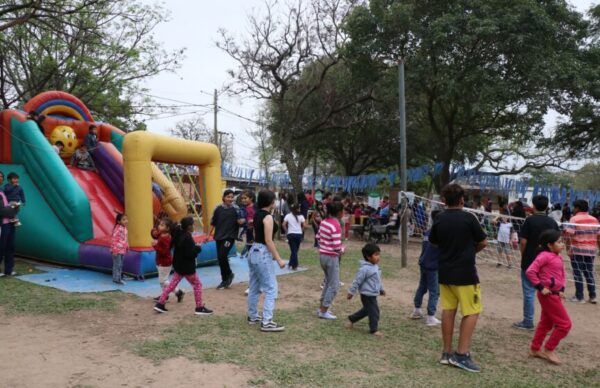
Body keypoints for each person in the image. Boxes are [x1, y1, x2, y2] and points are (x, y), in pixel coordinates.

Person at [429, 183, 487, 373]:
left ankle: (446, 353)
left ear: (444, 200)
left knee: (448, 310)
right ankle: (461, 354)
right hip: (465, 274)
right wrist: (469, 252)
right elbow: (483, 242)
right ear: (462, 200)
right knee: (471, 311)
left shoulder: (439, 219)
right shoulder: (469, 218)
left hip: (445, 272)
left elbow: (434, 242)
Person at [513, 195, 559, 330]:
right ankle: (555, 322)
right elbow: (557, 242)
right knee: (550, 293)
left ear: (533, 206)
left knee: (529, 291)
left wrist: (524, 254)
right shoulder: (552, 222)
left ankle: (528, 321)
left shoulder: (529, 221)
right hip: (548, 262)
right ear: (547, 206)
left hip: (530, 261)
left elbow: (523, 241)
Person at [526, 229, 572, 365]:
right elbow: (530, 271)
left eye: (562, 241)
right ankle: (549, 349)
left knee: (546, 323)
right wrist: (540, 287)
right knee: (565, 325)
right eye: (559, 242)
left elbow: (562, 275)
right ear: (549, 245)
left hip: (555, 294)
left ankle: (535, 349)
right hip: (548, 296)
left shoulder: (557, 256)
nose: (562, 244)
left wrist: (562, 288)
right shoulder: (544, 256)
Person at [154, 217, 213, 315]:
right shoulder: (187, 237)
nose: (194, 226)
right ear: (189, 226)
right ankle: (199, 307)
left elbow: (186, 248)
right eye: (193, 224)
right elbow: (190, 254)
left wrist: (197, 246)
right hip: (187, 268)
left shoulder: (178, 233)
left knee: (171, 285)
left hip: (178, 266)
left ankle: (160, 304)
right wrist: (197, 249)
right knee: (197, 285)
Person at [247, 189, 286, 332]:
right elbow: (269, 241)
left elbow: (256, 234)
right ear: (271, 202)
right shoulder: (268, 217)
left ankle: (252, 316)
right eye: (274, 200)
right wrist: (279, 259)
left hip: (254, 251)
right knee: (271, 288)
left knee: (254, 286)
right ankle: (267, 321)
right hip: (262, 252)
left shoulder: (257, 214)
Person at [564, 199, 599, 304]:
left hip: (577, 250)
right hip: (591, 251)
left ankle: (579, 297)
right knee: (589, 273)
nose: (573, 209)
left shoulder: (574, 219)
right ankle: (593, 296)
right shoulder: (594, 219)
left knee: (577, 273)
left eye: (574, 207)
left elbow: (569, 235)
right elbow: (599, 236)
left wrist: (568, 248)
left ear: (578, 208)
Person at [347, 243, 385, 336]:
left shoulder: (375, 267)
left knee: (367, 310)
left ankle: (352, 318)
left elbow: (377, 280)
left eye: (378, 254)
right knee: (374, 312)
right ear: (368, 257)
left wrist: (381, 289)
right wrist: (351, 292)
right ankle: (374, 329)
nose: (378, 257)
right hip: (367, 294)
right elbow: (357, 281)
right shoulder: (364, 269)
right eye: (376, 255)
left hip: (373, 293)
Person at [411, 210, 441, 326]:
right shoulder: (439, 233)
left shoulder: (428, 232)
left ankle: (417, 310)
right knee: (435, 291)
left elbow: (425, 248)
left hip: (423, 263)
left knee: (422, 287)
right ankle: (431, 317)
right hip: (432, 266)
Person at [210, 189, 245, 289]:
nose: (230, 199)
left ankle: (228, 274)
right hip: (219, 236)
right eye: (228, 197)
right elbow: (213, 222)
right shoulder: (217, 208)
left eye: (231, 197)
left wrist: (242, 221)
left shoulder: (236, 209)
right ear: (223, 198)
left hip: (230, 237)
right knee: (220, 258)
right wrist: (208, 235)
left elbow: (241, 221)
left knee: (222, 255)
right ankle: (225, 279)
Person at [316, 200, 345, 320]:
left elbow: (318, 236)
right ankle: (323, 310)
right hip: (332, 257)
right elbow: (337, 246)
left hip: (323, 255)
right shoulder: (336, 224)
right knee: (334, 285)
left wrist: (324, 246)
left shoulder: (324, 222)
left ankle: (322, 307)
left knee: (328, 282)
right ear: (339, 212)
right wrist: (342, 249)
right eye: (343, 210)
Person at [151, 218, 184, 303]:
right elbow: (155, 235)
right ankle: (164, 295)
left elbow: (164, 252)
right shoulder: (162, 235)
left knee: (163, 280)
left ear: (168, 228)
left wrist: (155, 246)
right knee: (162, 280)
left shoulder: (166, 238)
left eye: (162, 225)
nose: (159, 226)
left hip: (164, 262)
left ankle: (178, 292)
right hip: (161, 262)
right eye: (159, 224)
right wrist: (153, 232)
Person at [0, 171, 19, 277]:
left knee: (10, 246)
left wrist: (16, 207)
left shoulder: (3, 191)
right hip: (2, 223)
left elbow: (8, 205)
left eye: (1, 176)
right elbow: (2, 210)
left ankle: (9, 270)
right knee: (1, 247)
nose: (0, 178)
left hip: (10, 222)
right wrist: (14, 210)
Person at [283, 204, 305, 270]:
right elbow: (304, 225)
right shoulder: (301, 216)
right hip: (298, 234)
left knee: (294, 250)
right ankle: (295, 265)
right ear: (297, 209)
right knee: (295, 250)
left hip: (291, 234)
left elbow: (283, 224)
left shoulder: (288, 216)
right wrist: (301, 230)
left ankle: (291, 263)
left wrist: (287, 231)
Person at [110, 213, 128, 285]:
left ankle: (116, 278)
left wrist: (127, 246)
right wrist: (115, 250)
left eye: (126, 219)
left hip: (121, 250)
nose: (126, 221)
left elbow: (124, 239)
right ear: (118, 221)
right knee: (118, 264)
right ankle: (117, 279)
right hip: (117, 250)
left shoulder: (124, 228)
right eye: (124, 220)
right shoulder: (118, 229)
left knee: (119, 264)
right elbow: (114, 239)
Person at [240, 191, 256, 257]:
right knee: (249, 244)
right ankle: (248, 254)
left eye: (245, 198)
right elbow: (241, 219)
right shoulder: (242, 208)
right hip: (249, 229)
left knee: (256, 244)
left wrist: (253, 220)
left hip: (257, 229)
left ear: (251, 198)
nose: (243, 200)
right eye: (242, 198)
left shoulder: (256, 206)